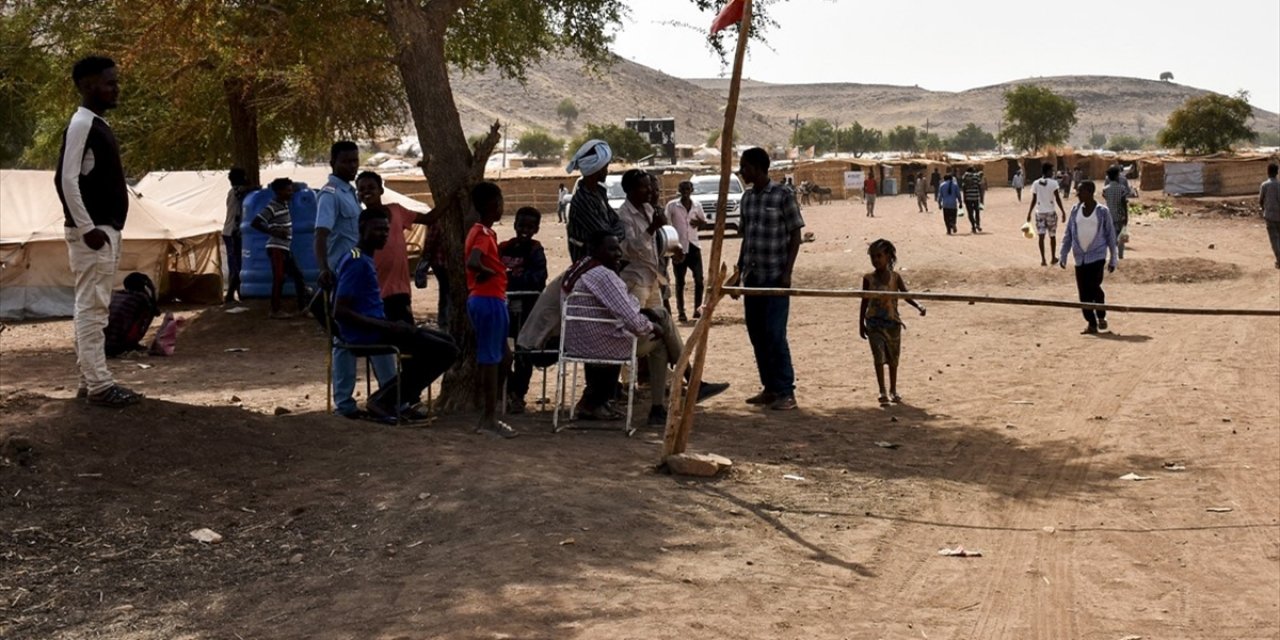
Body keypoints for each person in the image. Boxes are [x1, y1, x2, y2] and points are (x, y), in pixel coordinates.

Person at [55, 55, 141, 408]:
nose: (115, 87)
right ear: (88, 86)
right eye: (109, 82)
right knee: (92, 308)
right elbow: (65, 179)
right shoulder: (81, 124)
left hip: (105, 231)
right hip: (93, 233)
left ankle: (88, 379)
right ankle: (100, 386)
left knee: (95, 307)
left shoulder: (96, 124)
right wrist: (87, 227)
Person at [617, 169, 728, 425]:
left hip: (652, 279)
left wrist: (671, 251)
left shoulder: (647, 210)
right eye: (644, 187)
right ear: (631, 190)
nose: (649, 191)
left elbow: (652, 246)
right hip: (635, 281)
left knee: (663, 336)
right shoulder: (623, 215)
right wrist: (651, 229)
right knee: (640, 335)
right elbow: (628, 249)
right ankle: (679, 380)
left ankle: (666, 399)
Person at [333, 208, 460, 422]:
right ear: (362, 228)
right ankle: (387, 400)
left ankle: (391, 398)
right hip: (366, 334)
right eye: (377, 230)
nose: (383, 234)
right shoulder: (356, 261)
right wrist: (387, 327)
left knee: (445, 342)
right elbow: (341, 311)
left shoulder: (365, 259)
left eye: (386, 230)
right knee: (446, 351)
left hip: (378, 328)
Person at [316, 140, 395, 418]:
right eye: (346, 162)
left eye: (354, 161)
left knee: (375, 331)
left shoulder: (351, 192)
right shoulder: (330, 194)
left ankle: (391, 396)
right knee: (344, 339)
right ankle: (345, 405)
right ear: (333, 163)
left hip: (360, 268)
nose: (352, 166)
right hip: (341, 273)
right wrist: (324, 268)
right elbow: (321, 234)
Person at [736, 147, 804, 411]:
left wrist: (787, 272)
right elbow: (747, 239)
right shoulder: (747, 199)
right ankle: (770, 388)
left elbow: (796, 235)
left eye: (744, 167)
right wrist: (739, 269)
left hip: (775, 276)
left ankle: (786, 391)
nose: (742, 172)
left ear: (756, 167)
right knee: (757, 335)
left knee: (775, 335)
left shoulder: (782, 195)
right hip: (753, 278)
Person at [465, 181, 518, 438]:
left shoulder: (481, 232)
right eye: (500, 202)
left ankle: (492, 409)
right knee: (491, 358)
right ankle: (488, 418)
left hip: (492, 298)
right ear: (492, 205)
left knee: (504, 357)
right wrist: (491, 272)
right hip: (487, 298)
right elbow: (473, 261)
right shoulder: (484, 234)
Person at [355, 171, 441, 325]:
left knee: (405, 333)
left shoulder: (396, 210)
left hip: (399, 289)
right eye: (362, 189)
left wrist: (451, 196)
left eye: (371, 187)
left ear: (381, 190)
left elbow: (429, 219)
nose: (366, 191)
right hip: (375, 292)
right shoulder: (361, 220)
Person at [859, 239, 925, 406]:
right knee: (878, 357)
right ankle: (882, 390)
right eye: (873, 257)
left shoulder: (895, 277)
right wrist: (861, 323)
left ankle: (893, 390)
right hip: (874, 324)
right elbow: (864, 302)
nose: (876, 260)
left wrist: (918, 305)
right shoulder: (868, 279)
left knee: (893, 359)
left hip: (892, 324)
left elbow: (905, 294)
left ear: (888, 256)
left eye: (879, 256)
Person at [501, 207, 550, 414]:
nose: (524, 230)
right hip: (504, 307)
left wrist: (509, 279)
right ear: (515, 225)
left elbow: (538, 279)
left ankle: (518, 394)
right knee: (501, 351)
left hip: (527, 309)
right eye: (521, 225)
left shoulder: (536, 250)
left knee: (523, 354)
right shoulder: (503, 248)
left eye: (530, 227)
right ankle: (506, 389)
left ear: (536, 229)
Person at [1059, 181, 1119, 335]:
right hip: (1080, 258)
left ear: (1090, 192)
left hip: (1097, 256)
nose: (1077, 194)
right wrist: (1063, 254)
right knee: (1083, 293)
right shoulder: (1075, 210)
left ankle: (1101, 315)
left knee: (1094, 287)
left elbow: (1111, 236)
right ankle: (1091, 323)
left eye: (1081, 191)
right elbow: (1068, 234)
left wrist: (1113, 258)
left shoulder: (1102, 212)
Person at [251, 178, 309, 318]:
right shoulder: (272, 206)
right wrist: (273, 231)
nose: (291, 193)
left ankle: (303, 308)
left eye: (291, 190)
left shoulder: (283, 204)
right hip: (276, 247)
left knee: (298, 276)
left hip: (285, 248)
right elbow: (255, 222)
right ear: (278, 192)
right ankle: (275, 310)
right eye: (288, 190)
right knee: (279, 278)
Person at [565, 139, 623, 262]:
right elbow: (603, 235)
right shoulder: (582, 200)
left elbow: (616, 221)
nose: (607, 171)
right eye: (605, 167)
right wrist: (615, 235)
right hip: (587, 262)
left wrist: (615, 234)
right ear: (595, 169)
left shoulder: (599, 193)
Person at [667, 180, 707, 321]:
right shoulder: (672, 206)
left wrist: (699, 223)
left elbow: (704, 222)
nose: (685, 192)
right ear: (679, 190)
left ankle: (697, 309)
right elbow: (666, 225)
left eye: (687, 189)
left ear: (692, 190)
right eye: (682, 189)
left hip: (694, 247)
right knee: (680, 282)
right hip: (679, 248)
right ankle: (681, 312)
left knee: (699, 280)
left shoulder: (697, 205)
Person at [104, 272, 159, 358]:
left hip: (103, 343)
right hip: (118, 346)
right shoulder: (141, 299)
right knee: (147, 314)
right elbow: (156, 311)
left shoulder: (117, 295)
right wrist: (151, 290)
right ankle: (131, 343)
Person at [1026, 162, 1067, 266]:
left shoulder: (1036, 183)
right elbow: (1057, 198)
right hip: (1050, 212)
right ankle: (1053, 258)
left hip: (1039, 212)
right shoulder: (1053, 183)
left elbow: (1034, 199)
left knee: (1041, 236)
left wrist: (1029, 212)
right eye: (1052, 171)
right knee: (1052, 236)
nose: (1053, 173)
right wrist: (1062, 211)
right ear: (1048, 171)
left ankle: (1043, 259)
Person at [223, 167, 252, 303]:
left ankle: (237, 294)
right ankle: (231, 295)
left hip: (231, 232)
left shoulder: (233, 192)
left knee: (237, 265)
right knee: (237, 265)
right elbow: (242, 191)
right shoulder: (236, 191)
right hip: (232, 233)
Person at [1102, 166, 1133, 260]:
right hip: (1120, 215)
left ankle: (1113, 255)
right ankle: (1120, 255)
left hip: (1110, 215)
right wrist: (1126, 216)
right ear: (1116, 176)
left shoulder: (1105, 189)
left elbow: (1106, 199)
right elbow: (1123, 203)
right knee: (1121, 236)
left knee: (1112, 236)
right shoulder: (1122, 188)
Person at [1260, 163, 1280, 269]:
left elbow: (1261, 200)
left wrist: (1264, 210)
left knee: (1274, 239)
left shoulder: (1264, 185)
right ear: (1277, 173)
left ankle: (1279, 260)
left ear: (1268, 172)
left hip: (1270, 216)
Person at [961, 166, 985, 233]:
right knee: (977, 212)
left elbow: (963, 187)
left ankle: (973, 226)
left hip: (968, 197)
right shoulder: (976, 177)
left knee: (970, 213)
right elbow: (979, 186)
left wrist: (964, 197)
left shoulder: (964, 177)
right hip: (975, 197)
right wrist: (981, 197)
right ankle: (978, 224)